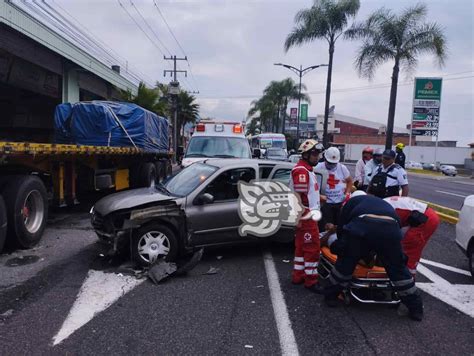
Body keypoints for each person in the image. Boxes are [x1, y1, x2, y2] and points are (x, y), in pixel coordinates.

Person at [318, 192, 424, 321]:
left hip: (363, 228)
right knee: (399, 270)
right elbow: (396, 227)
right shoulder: (382, 203)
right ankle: (416, 308)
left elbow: (342, 229)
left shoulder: (350, 204)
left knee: (345, 264)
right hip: (390, 230)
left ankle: (331, 296)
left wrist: (343, 248)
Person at [290, 139, 324, 289]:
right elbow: (299, 195)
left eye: (318, 154)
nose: (317, 157)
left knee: (301, 247)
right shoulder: (302, 171)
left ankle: (298, 276)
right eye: (315, 154)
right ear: (306, 154)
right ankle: (311, 281)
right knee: (312, 248)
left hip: (305, 214)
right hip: (307, 216)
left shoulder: (307, 170)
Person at [384, 196, 440, 276]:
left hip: (425, 220)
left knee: (408, 251)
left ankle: (407, 280)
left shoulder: (382, 210)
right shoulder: (383, 203)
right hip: (422, 216)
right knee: (407, 248)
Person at [316, 147, 353, 229]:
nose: (331, 165)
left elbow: (349, 181)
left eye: (334, 163)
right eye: (329, 162)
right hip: (325, 203)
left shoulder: (342, 168)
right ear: (325, 158)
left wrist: (347, 193)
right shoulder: (318, 167)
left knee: (338, 227)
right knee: (326, 227)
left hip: (339, 202)